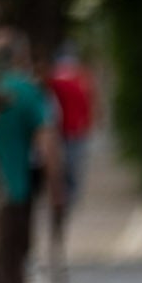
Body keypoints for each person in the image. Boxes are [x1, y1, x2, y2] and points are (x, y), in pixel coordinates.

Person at [0, 30, 62, 283]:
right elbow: (47, 144)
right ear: (19, 56)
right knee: (13, 257)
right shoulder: (26, 91)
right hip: (14, 188)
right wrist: (57, 188)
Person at [45, 44, 95, 255]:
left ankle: (67, 199)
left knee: (70, 169)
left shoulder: (75, 81)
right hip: (66, 133)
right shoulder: (69, 81)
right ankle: (65, 199)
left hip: (73, 132)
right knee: (68, 169)